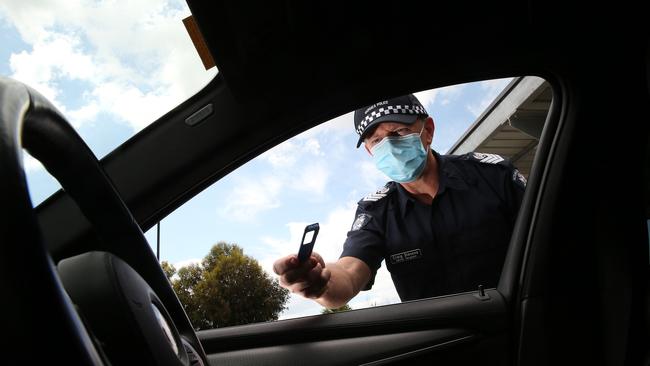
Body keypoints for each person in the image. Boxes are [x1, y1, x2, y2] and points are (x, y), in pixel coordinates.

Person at [273, 93, 526, 309]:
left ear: (428, 131)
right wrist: (321, 283)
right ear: (371, 151)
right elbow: (349, 272)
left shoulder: (493, 175)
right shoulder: (376, 211)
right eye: (377, 140)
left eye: (399, 131)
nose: (390, 146)